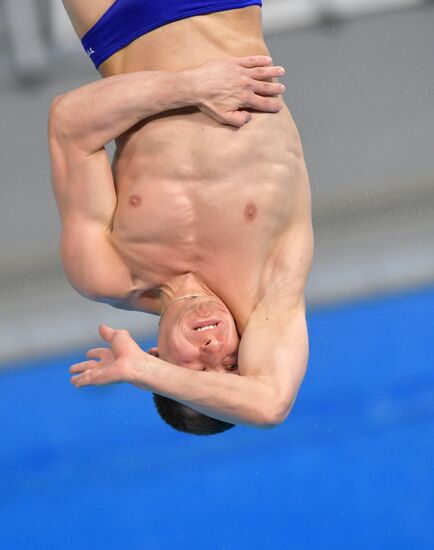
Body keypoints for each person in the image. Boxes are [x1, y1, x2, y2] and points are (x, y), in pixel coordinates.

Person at [49, 0, 314, 435]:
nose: (213, 348)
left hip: (117, 23)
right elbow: (269, 406)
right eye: (232, 362)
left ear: (156, 359)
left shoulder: (106, 273)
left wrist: (191, 87)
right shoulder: (269, 289)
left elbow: (68, 123)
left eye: (197, 369)